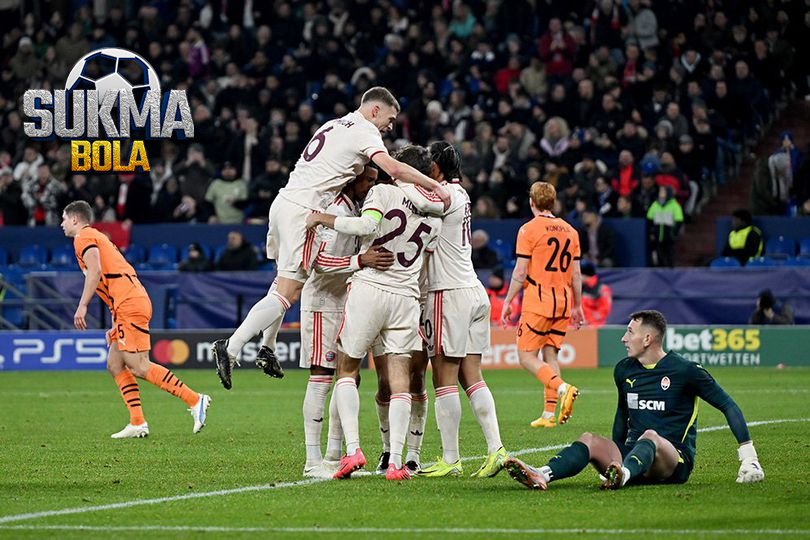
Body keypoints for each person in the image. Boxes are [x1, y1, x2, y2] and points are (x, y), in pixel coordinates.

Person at [212, 87, 449, 391]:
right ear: (374, 110)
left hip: (283, 202)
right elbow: (391, 168)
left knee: (282, 282)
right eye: (389, 119)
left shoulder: (332, 124)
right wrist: (436, 186)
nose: (390, 127)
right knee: (287, 292)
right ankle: (231, 347)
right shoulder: (365, 131)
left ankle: (267, 347)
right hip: (305, 210)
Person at [504, 310, 765, 490]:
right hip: (631, 457)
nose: (623, 338)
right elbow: (622, 415)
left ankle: (624, 476)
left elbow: (728, 405)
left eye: (630, 332)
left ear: (648, 338)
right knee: (589, 439)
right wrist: (615, 455)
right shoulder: (624, 370)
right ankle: (542, 473)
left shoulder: (685, 371)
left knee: (650, 435)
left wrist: (748, 457)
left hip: (673, 461)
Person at [305, 145, 443, 481]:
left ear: (399, 169)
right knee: (400, 384)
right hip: (406, 298)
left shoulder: (382, 192)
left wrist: (324, 218)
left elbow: (367, 226)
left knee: (347, 368)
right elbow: (427, 260)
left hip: (370, 289)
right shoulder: (435, 214)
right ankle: (396, 461)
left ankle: (352, 450)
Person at [60, 201, 211, 439]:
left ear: (76, 219)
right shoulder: (95, 236)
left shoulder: (83, 237)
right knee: (115, 363)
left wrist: (82, 305)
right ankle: (137, 422)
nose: (62, 224)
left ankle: (195, 400)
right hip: (125, 303)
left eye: (64, 219)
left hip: (129, 302)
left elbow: (95, 270)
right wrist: (115, 319)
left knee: (139, 365)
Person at [296, 165, 395, 478]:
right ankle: (313, 461)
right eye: (367, 180)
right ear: (351, 180)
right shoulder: (334, 210)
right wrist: (360, 261)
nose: (370, 186)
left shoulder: (356, 210)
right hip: (322, 302)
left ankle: (335, 456)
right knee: (322, 377)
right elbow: (317, 262)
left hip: (346, 301)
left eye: (374, 181)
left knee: (348, 378)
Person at [418, 141, 507, 479]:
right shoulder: (461, 194)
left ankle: (451, 458)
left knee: (443, 378)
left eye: (427, 162)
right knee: (473, 377)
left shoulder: (442, 195)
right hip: (473, 290)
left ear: (437, 166)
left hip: (448, 293)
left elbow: (412, 200)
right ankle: (495, 448)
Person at [500, 181, 583, 429]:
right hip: (564, 301)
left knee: (526, 357)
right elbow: (576, 274)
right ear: (553, 203)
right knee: (550, 354)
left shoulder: (529, 230)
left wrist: (508, 300)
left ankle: (563, 388)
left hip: (539, 300)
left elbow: (520, 271)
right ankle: (548, 416)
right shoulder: (571, 231)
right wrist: (578, 306)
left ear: (531, 202)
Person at [646, 186, 683, 267]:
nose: (660, 193)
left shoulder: (674, 205)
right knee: (659, 257)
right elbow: (649, 219)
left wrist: (673, 233)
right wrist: (652, 232)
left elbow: (679, 221)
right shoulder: (655, 204)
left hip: (669, 236)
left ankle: (671, 274)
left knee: (670, 256)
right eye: (660, 191)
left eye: (663, 191)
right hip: (658, 236)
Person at [580, 261, 612, 328]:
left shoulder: (602, 289)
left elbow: (604, 311)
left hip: (594, 327)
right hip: (577, 326)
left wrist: (588, 321)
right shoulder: (577, 287)